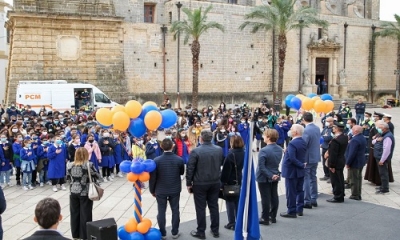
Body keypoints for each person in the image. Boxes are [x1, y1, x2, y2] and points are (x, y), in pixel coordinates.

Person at [186, 129, 224, 239]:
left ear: (201, 139)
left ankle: (201, 231)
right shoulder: (219, 149)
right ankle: (215, 230)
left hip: (200, 183)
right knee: (214, 206)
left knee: (200, 208)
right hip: (215, 181)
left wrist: (189, 183)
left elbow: (190, 168)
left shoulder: (196, 151)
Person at [150, 138, 184, 239]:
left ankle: (163, 233)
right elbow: (181, 172)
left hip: (161, 189)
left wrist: (152, 190)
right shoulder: (179, 159)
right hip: (174, 188)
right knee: (175, 210)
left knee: (161, 211)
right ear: (172, 146)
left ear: (161, 147)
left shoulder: (156, 160)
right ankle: (174, 232)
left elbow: (153, 178)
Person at [67, 147, 100, 240]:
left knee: (74, 213)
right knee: (85, 213)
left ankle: (75, 234)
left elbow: (68, 178)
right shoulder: (88, 165)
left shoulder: (69, 165)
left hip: (73, 191)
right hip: (85, 191)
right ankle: (85, 235)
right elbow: (97, 176)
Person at [280, 124, 307, 218]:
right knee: (300, 190)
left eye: (291, 129)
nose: (290, 130)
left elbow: (292, 158)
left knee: (291, 192)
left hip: (292, 171)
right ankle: (299, 209)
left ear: (295, 132)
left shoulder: (292, 143)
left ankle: (291, 211)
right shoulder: (303, 141)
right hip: (299, 171)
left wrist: (301, 165)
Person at [256, 129, 282, 225]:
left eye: (264, 136)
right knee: (274, 195)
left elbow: (262, 166)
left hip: (264, 177)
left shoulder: (264, 150)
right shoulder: (279, 149)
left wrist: (270, 175)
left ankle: (265, 217)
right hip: (275, 174)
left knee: (265, 197)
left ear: (269, 137)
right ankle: (273, 216)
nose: (263, 137)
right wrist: (273, 175)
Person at [220, 135, 245, 230]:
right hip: (239, 179)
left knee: (230, 202)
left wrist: (222, 184)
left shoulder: (231, 154)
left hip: (230, 181)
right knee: (238, 201)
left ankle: (231, 222)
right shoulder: (244, 153)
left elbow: (225, 172)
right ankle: (239, 220)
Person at [326, 122, 348, 203]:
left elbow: (333, 154)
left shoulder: (336, 140)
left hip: (336, 162)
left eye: (334, 128)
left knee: (335, 180)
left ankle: (337, 196)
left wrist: (331, 165)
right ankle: (341, 194)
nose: (332, 129)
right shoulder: (344, 137)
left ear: (336, 129)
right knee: (340, 179)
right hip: (341, 160)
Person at [302, 112, 320, 209]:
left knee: (307, 179)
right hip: (315, 156)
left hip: (307, 158)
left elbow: (304, 144)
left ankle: (307, 200)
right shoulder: (317, 128)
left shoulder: (306, 130)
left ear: (304, 119)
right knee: (313, 178)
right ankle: (314, 199)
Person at [345, 125, 367, 201]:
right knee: (358, 178)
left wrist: (348, 163)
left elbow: (352, 153)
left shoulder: (355, 140)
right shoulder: (362, 137)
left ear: (356, 131)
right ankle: (358, 193)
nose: (352, 130)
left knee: (354, 179)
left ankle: (355, 195)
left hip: (355, 162)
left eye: (353, 129)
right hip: (360, 161)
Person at [373, 122, 395, 194]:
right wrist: (376, 140)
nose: (379, 129)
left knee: (383, 173)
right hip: (378, 156)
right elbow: (373, 142)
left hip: (382, 158)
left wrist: (382, 160)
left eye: (380, 128)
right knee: (381, 173)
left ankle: (385, 188)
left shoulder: (387, 137)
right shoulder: (383, 134)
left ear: (385, 129)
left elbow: (387, 150)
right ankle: (383, 186)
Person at [320, 117, 333, 182]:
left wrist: (324, 137)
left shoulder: (332, 129)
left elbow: (330, 137)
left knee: (329, 162)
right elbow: (321, 135)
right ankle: (326, 174)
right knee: (324, 162)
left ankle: (331, 176)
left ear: (331, 122)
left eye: (328, 121)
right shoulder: (325, 128)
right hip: (324, 146)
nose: (326, 122)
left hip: (329, 147)